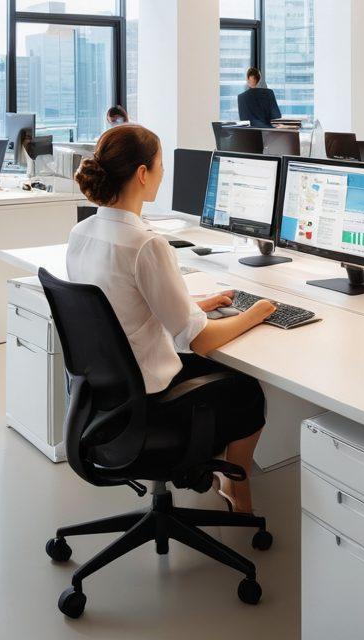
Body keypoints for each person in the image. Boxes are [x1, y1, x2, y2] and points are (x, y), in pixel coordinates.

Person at [69, 123, 275, 514]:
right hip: (150, 401)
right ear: (143, 174)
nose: (163, 174)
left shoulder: (82, 232)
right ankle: (236, 484)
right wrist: (255, 314)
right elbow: (199, 341)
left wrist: (197, 302)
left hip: (104, 397)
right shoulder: (147, 244)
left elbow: (124, 304)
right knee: (249, 389)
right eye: (160, 165)